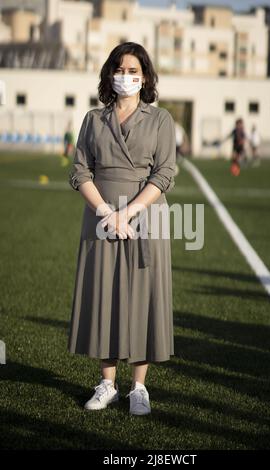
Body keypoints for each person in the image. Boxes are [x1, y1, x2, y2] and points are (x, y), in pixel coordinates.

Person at [67, 42, 176, 416]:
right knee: (105, 295)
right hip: (101, 220)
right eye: (119, 69)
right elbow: (80, 170)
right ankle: (108, 383)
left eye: (133, 71)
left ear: (144, 77)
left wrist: (128, 212)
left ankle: (139, 388)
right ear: (108, 74)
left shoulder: (161, 120)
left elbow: (165, 172)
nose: (126, 76)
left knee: (143, 298)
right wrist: (105, 212)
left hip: (147, 217)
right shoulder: (93, 120)